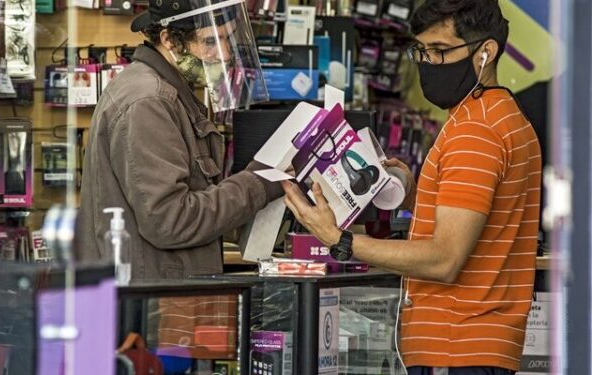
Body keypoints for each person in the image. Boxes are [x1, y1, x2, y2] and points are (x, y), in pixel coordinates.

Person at [282, 1, 541, 374]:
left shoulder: (475, 131)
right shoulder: (501, 117)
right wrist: (419, 194)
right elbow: (485, 223)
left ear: (486, 52)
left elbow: (444, 259)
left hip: (457, 347)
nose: (427, 64)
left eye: (440, 51)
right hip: (475, 346)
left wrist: (339, 239)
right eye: (421, 50)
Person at [74, 0, 281, 279]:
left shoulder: (168, 90)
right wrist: (257, 185)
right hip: (151, 301)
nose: (225, 54)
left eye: (227, 39)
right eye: (211, 42)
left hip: (160, 289)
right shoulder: (149, 102)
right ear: (169, 39)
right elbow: (171, 221)